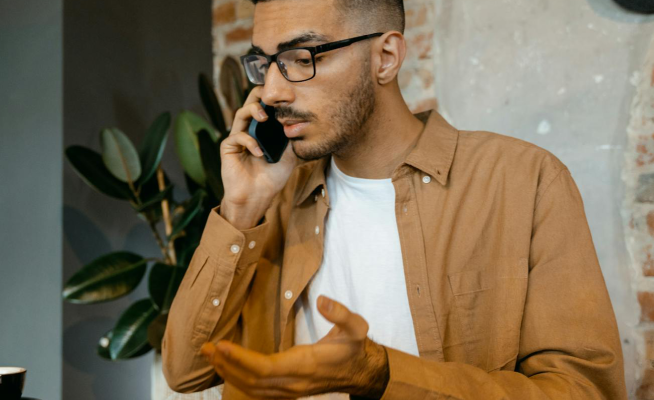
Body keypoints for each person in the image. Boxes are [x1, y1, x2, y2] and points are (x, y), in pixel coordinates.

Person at [161, 0, 628, 399]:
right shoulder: (271, 203)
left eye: (301, 57)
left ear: (385, 57)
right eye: (264, 63)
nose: (272, 91)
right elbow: (186, 372)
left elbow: (583, 390)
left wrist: (380, 373)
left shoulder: (523, 181)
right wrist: (241, 209)